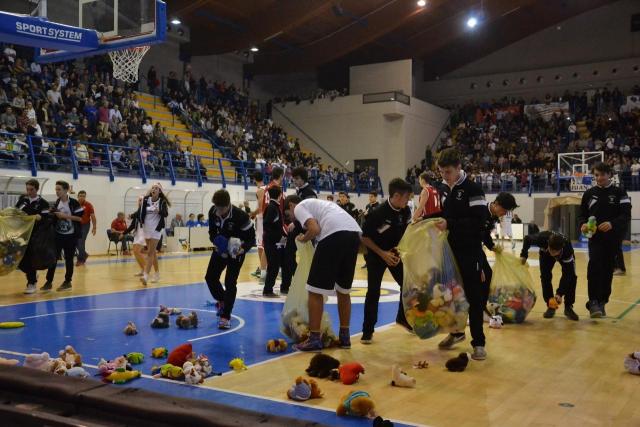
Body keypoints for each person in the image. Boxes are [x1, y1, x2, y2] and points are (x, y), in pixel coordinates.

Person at [284, 195, 362, 352]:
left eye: (288, 214)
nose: (292, 218)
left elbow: (314, 229)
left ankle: (314, 339)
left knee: (314, 290)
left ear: (292, 205)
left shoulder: (300, 206)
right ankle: (345, 337)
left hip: (334, 234)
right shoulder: (322, 204)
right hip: (354, 235)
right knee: (343, 290)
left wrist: (304, 239)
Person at [435, 148, 489, 361]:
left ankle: (479, 343)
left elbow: (479, 222)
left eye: (447, 172)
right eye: (441, 172)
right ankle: (456, 333)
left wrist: (450, 224)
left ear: (459, 167)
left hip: (470, 253)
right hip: (450, 253)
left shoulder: (473, 189)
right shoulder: (445, 189)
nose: (444, 176)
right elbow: (447, 215)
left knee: (475, 299)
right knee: (450, 297)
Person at [361, 178, 413, 344]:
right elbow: (365, 237)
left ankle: (402, 317)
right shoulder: (378, 213)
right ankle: (368, 330)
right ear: (396, 196)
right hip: (376, 255)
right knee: (373, 291)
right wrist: (382, 254)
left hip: (394, 254)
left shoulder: (405, 212)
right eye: (406, 197)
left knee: (407, 284)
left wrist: (399, 250)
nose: (408, 201)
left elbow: (404, 233)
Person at [578, 162, 631, 318]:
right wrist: (582, 225)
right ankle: (593, 302)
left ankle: (602, 301)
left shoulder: (620, 192)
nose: (599, 178)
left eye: (602, 174)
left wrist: (612, 223)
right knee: (594, 267)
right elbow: (582, 215)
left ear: (609, 175)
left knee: (608, 271)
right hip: (595, 239)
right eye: (596, 175)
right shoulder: (588, 194)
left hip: (612, 240)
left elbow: (626, 215)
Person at [205, 189, 255, 329]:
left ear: (228, 205)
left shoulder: (241, 217)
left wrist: (242, 249)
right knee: (210, 277)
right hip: (221, 250)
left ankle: (226, 316)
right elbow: (212, 232)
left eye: (221, 208)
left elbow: (251, 238)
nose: (218, 211)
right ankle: (222, 300)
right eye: (216, 207)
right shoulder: (213, 211)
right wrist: (216, 241)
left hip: (236, 252)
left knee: (230, 282)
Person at [520, 231, 579, 321]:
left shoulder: (567, 250)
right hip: (545, 254)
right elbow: (527, 239)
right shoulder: (541, 239)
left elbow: (567, 275)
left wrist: (560, 293)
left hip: (563, 256)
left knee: (572, 277)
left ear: (561, 249)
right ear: (548, 244)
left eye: (555, 252)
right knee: (545, 277)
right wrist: (524, 255)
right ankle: (551, 305)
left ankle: (568, 307)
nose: (552, 254)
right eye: (551, 250)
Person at [43, 180, 84, 292]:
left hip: (71, 236)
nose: (57, 191)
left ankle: (67, 281)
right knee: (53, 258)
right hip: (58, 235)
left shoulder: (74, 202)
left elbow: (80, 219)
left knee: (69, 259)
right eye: (56, 189)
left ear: (66, 190)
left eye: (59, 189)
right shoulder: (57, 202)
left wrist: (65, 216)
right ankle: (49, 281)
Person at [16, 179, 50, 294]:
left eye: (31, 189)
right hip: (22, 234)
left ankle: (32, 283)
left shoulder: (43, 203)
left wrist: (40, 218)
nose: (29, 192)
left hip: (35, 236)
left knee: (30, 259)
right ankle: (33, 273)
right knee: (19, 260)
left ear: (37, 189)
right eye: (27, 189)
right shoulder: (22, 201)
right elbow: (15, 214)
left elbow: (46, 219)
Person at [137, 183, 170, 285]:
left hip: (156, 229)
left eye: (156, 188)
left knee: (150, 253)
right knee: (153, 253)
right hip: (147, 228)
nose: (154, 189)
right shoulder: (146, 199)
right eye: (153, 188)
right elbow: (141, 212)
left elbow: (165, 214)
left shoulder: (162, 201)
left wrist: (158, 210)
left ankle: (146, 276)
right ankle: (157, 274)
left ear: (159, 191)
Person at [262, 186, 286, 297]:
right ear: (280, 195)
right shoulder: (272, 207)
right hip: (271, 243)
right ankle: (267, 290)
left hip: (272, 241)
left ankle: (268, 289)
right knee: (273, 266)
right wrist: (277, 238)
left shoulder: (273, 207)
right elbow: (267, 225)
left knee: (274, 266)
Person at [250, 171, 268, 282]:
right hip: (264, 219)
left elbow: (261, 207)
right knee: (263, 246)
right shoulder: (267, 188)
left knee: (261, 246)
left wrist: (252, 214)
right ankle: (264, 269)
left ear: (254, 179)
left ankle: (263, 272)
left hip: (262, 220)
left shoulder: (261, 189)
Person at [75, 190, 96, 266]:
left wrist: (94, 227)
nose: (82, 197)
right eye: (80, 196)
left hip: (85, 225)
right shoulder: (74, 204)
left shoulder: (89, 205)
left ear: (85, 197)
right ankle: (84, 254)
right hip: (76, 225)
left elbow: (93, 217)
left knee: (81, 241)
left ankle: (80, 259)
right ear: (78, 196)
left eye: (83, 196)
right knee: (75, 242)